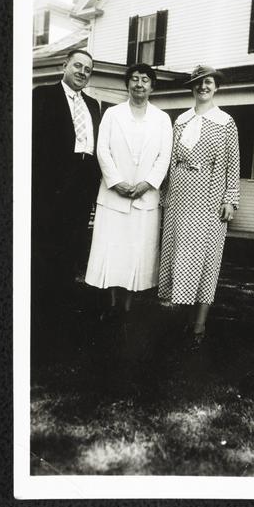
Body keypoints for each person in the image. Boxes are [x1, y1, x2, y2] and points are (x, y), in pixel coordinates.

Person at [158, 65, 240, 348]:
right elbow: (169, 161)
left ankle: (199, 325)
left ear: (216, 86)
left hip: (208, 196)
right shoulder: (180, 120)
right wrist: (165, 195)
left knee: (204, 258)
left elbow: (233, 164)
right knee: (178, 255)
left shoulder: (225, 122)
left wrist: (230, 198)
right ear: (192, 88)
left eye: (208, 82)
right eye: (197, 83)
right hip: (179, 196)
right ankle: (180, 320)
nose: (203, 87)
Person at [85, 63, 173, 317]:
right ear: (127, 84)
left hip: (144, 198)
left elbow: (164, 156)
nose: (139, 84)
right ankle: (112, 305)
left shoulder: (161, 119)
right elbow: (102, 150)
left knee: (137, 251)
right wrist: (117, 182)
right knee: (113, 250)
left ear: (152, 86)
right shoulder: (112, 114)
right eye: (134, 79)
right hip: (114, 196)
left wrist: (147, 184)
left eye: (145, 80)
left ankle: (128, 307)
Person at [32, 49, 101, 319]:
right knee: (46, 241)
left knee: (73, 242)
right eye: (78, 66)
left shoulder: (93, 105)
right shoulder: (42, 95)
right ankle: (40, 302)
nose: (82, 72)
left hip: (83, 181)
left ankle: (62, 300)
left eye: (87, 69)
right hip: (52, 182)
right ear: (65, 65)